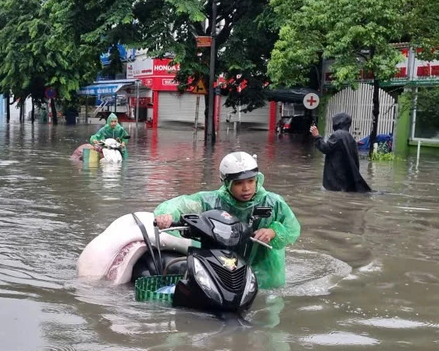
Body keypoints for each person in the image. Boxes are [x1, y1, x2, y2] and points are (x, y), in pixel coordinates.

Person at [153, 152, 301, 290]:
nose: (246, 188)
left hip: (265, 273)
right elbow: (180, 204)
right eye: (238, 183)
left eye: (251, 181)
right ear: (226, 182)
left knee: (267, 311)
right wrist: (167, 216)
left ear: (258, 179)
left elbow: (292, 228)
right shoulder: (210, 201)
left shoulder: (273, 202)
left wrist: (273, 231)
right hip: (219, 266)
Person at [310, 113, 372, 192]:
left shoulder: (337, 135)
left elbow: (325, 148)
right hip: (345, 178)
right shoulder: (349, 137)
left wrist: (317, 136)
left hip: (336, 179)